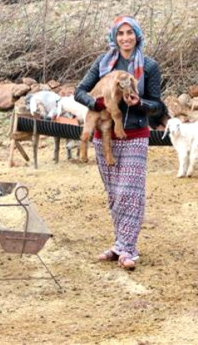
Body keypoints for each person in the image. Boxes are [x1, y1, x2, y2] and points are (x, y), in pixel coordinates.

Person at [74, 15, 162, 270]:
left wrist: (140, 104)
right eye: (120, 33)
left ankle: (128, 249)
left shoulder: (149, 66)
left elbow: (158, 105)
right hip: (105, 135)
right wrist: (99, 103)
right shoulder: (103, 63)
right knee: (114, 193)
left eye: (129, 33)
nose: (125, 38)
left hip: (135, 133)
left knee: (129, 193)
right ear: (114, 37)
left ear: (137, 35)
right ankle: (119, 244)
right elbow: (79, 91)